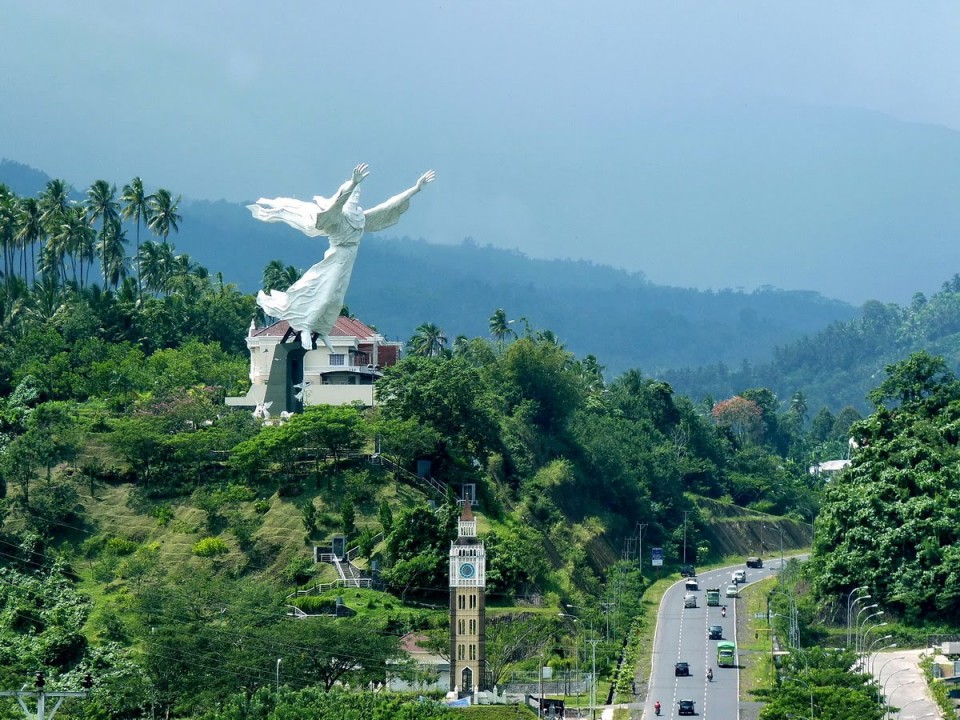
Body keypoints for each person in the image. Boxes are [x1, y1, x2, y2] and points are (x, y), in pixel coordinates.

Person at [248, 164, 435, 350]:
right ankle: (304, 327)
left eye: (358, 193)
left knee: (336, 299)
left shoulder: (361, 218)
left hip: (348, 260)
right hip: (335, 259)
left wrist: (416, 188)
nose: (356, 197)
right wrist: (353, 183)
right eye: (354, 194)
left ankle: (321, 330)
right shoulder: (337, 216)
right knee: (324, 293)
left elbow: (389, 205)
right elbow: (339, 200)